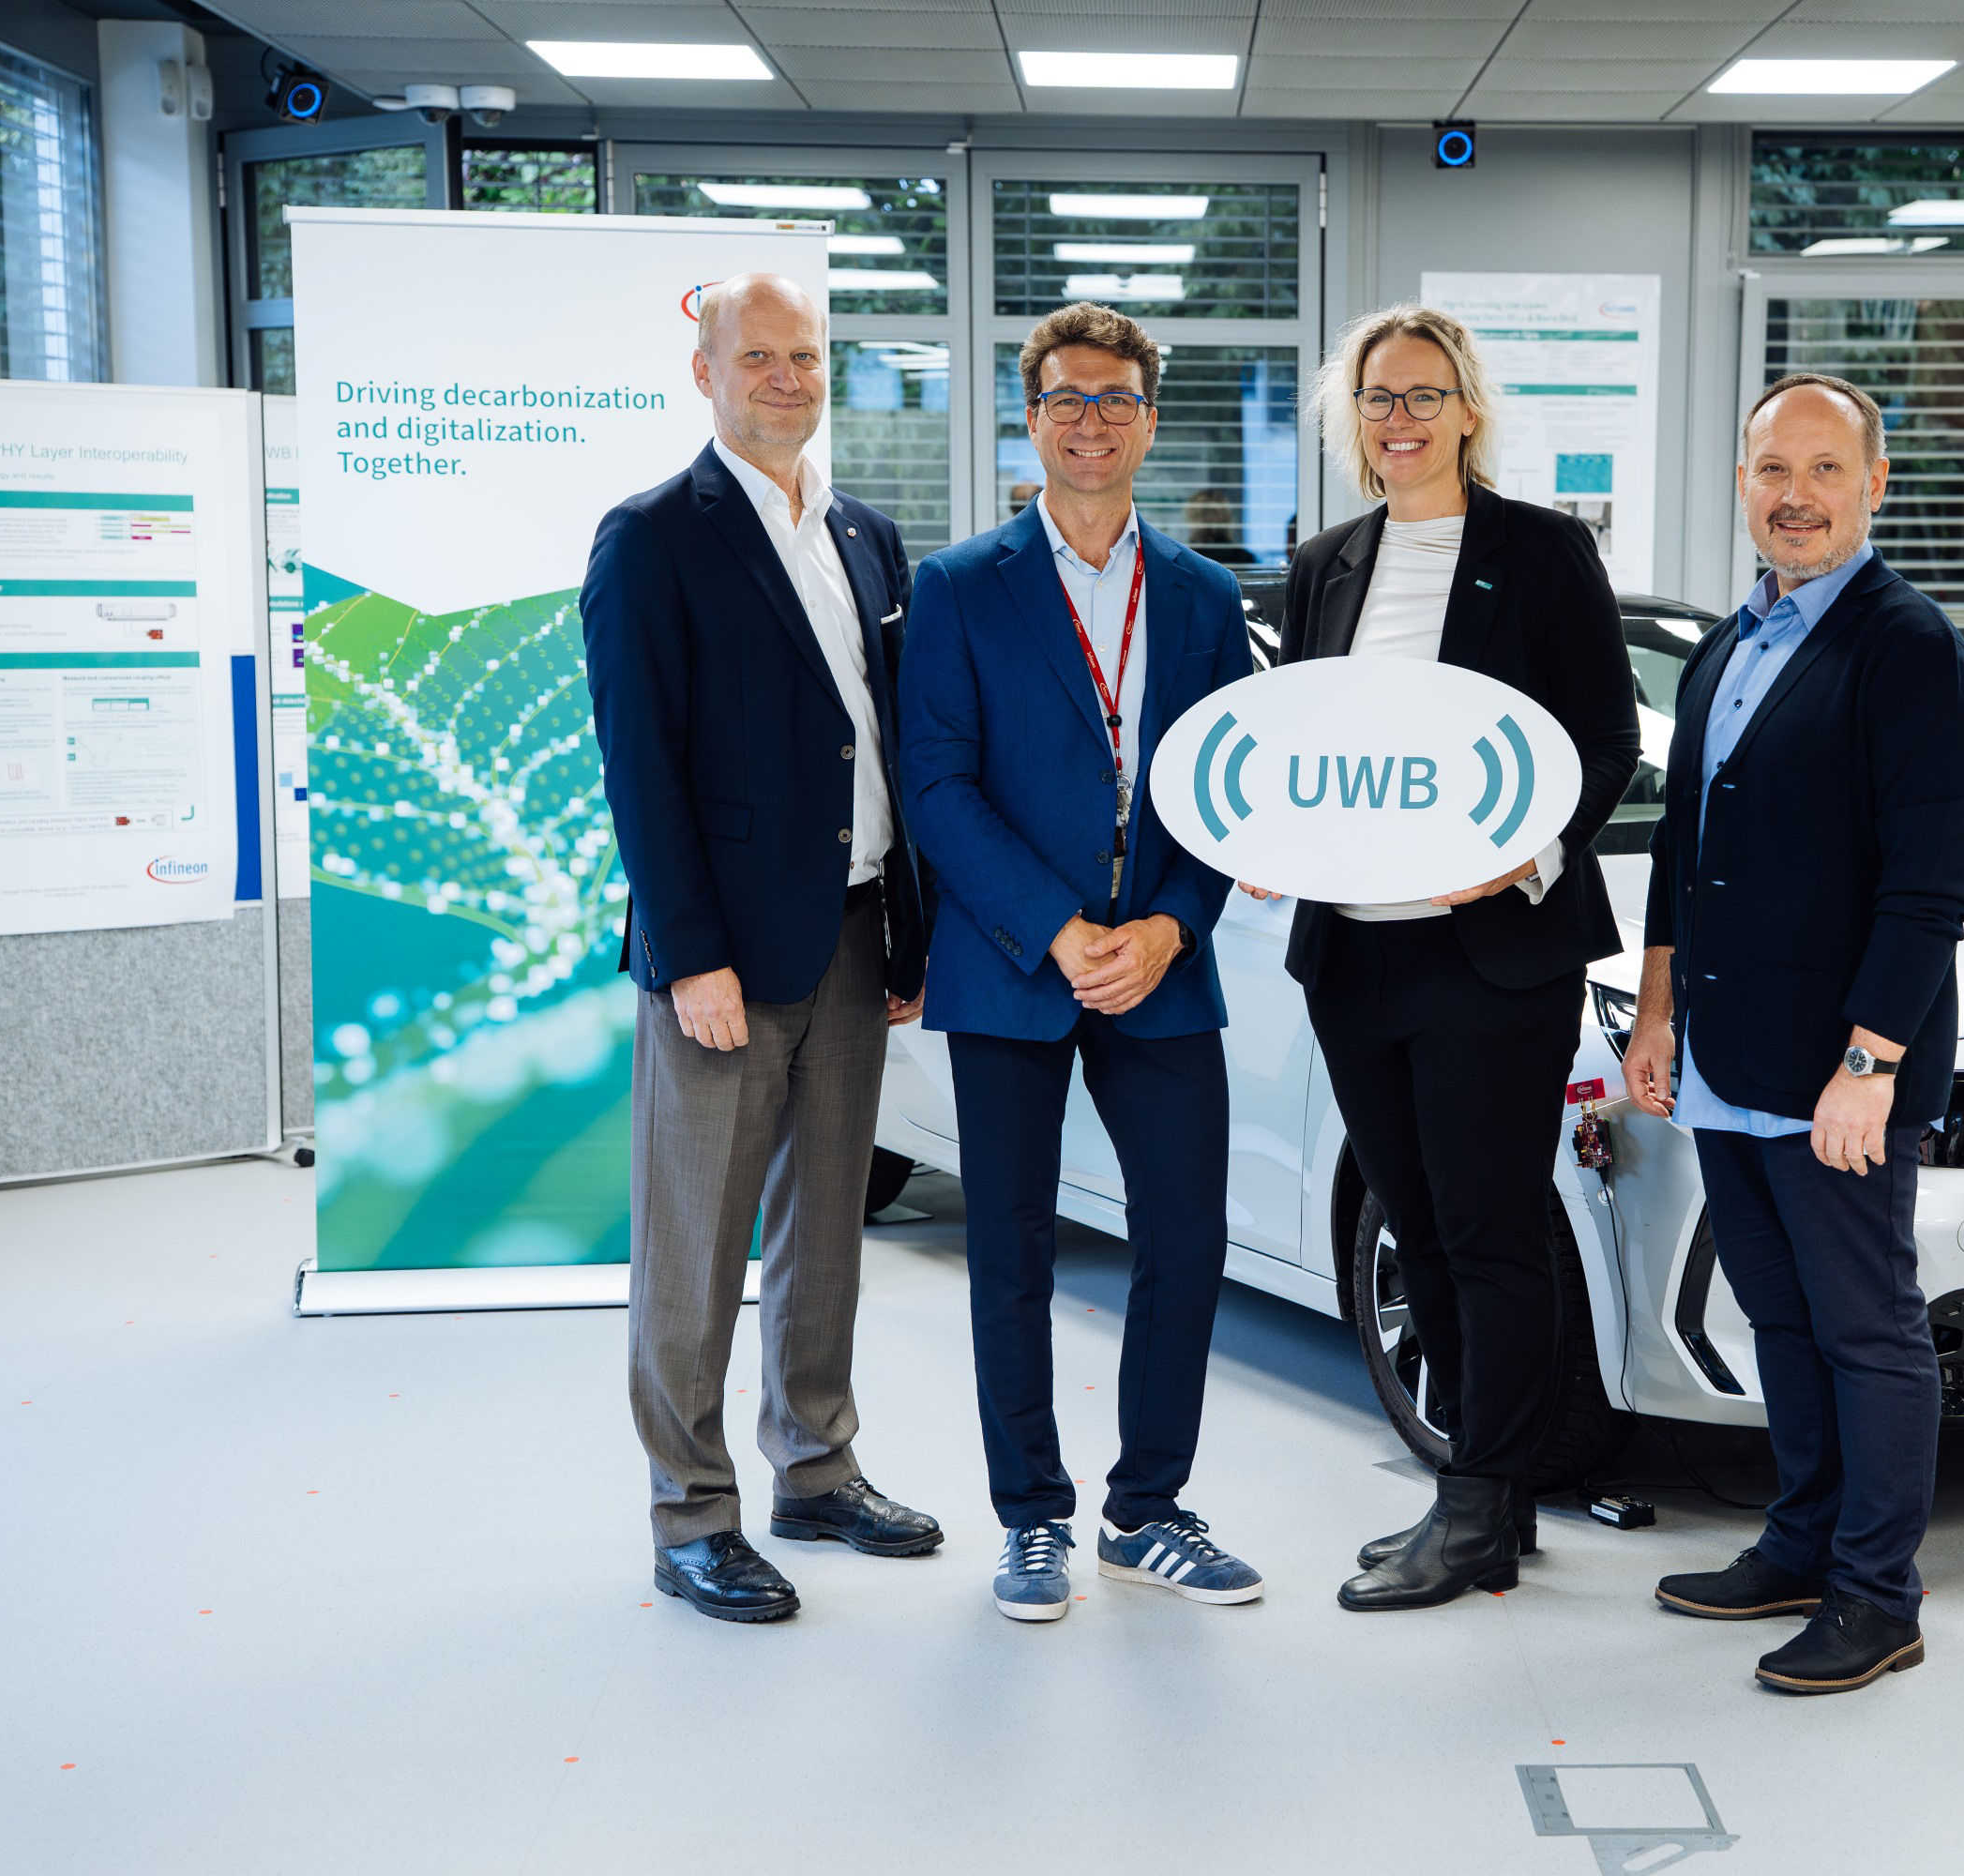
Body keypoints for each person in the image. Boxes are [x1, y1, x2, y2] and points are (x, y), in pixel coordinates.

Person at [1258, 303, 1639, 1613]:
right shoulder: (1327, 564)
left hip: (1493, 958)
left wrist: (1526, 857)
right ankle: (1487, 1491)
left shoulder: (1541, 553)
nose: (1401, 418)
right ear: (1350, 418)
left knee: (1490, 1229)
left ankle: (1478, 1509)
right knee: (1415, 1230)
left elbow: (1604, 739)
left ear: (1468, 408)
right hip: (1354, 959)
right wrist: (1271, 835)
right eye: (1378, 398)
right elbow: (1307, 745)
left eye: (1425, 395)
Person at [1624, 372, 1964, 1695]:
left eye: (1825, 469)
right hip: (1730, 1054)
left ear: (1874, 485)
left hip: (1840, 1070)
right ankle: (1800, 1543)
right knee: (1779, 1317)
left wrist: (1869, 1066)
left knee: (1865, 1329)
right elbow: (1682, 852)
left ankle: (1878, 1594)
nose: (1796, 496)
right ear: (1743, 483)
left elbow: (1929, 889)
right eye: (1773, 470)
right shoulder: (1731, 645)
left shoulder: (1911, 652)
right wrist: (1658, 1015)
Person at [582, 272, 943, 1626]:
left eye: (806, 356)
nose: (787, 378)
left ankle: (817, 1470)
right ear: (706, 371)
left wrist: (909, 929)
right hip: (723, 958)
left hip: (852, 929)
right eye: (759, 357)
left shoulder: (866, 534)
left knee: (825, 1231)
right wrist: (691, 958)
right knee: (696, 1249)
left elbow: (885, 741)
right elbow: (641, 766)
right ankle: (691, 1516)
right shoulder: (651, 537)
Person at [899, 303, 1259, 1625]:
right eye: (1066, 398)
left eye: (1115, 399)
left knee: (1187, 1239)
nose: (1091, 421)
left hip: (1162, 962)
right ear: (1031, 418)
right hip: (1012, 962)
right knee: (1010, 1250)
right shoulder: (959, 585)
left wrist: (1170, 927)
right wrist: (1058, 929)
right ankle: (1032, 1518)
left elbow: (1234, 791)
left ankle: (1147, 1511)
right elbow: (935, 785)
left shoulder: (1206, 595)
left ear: (1149, 422)